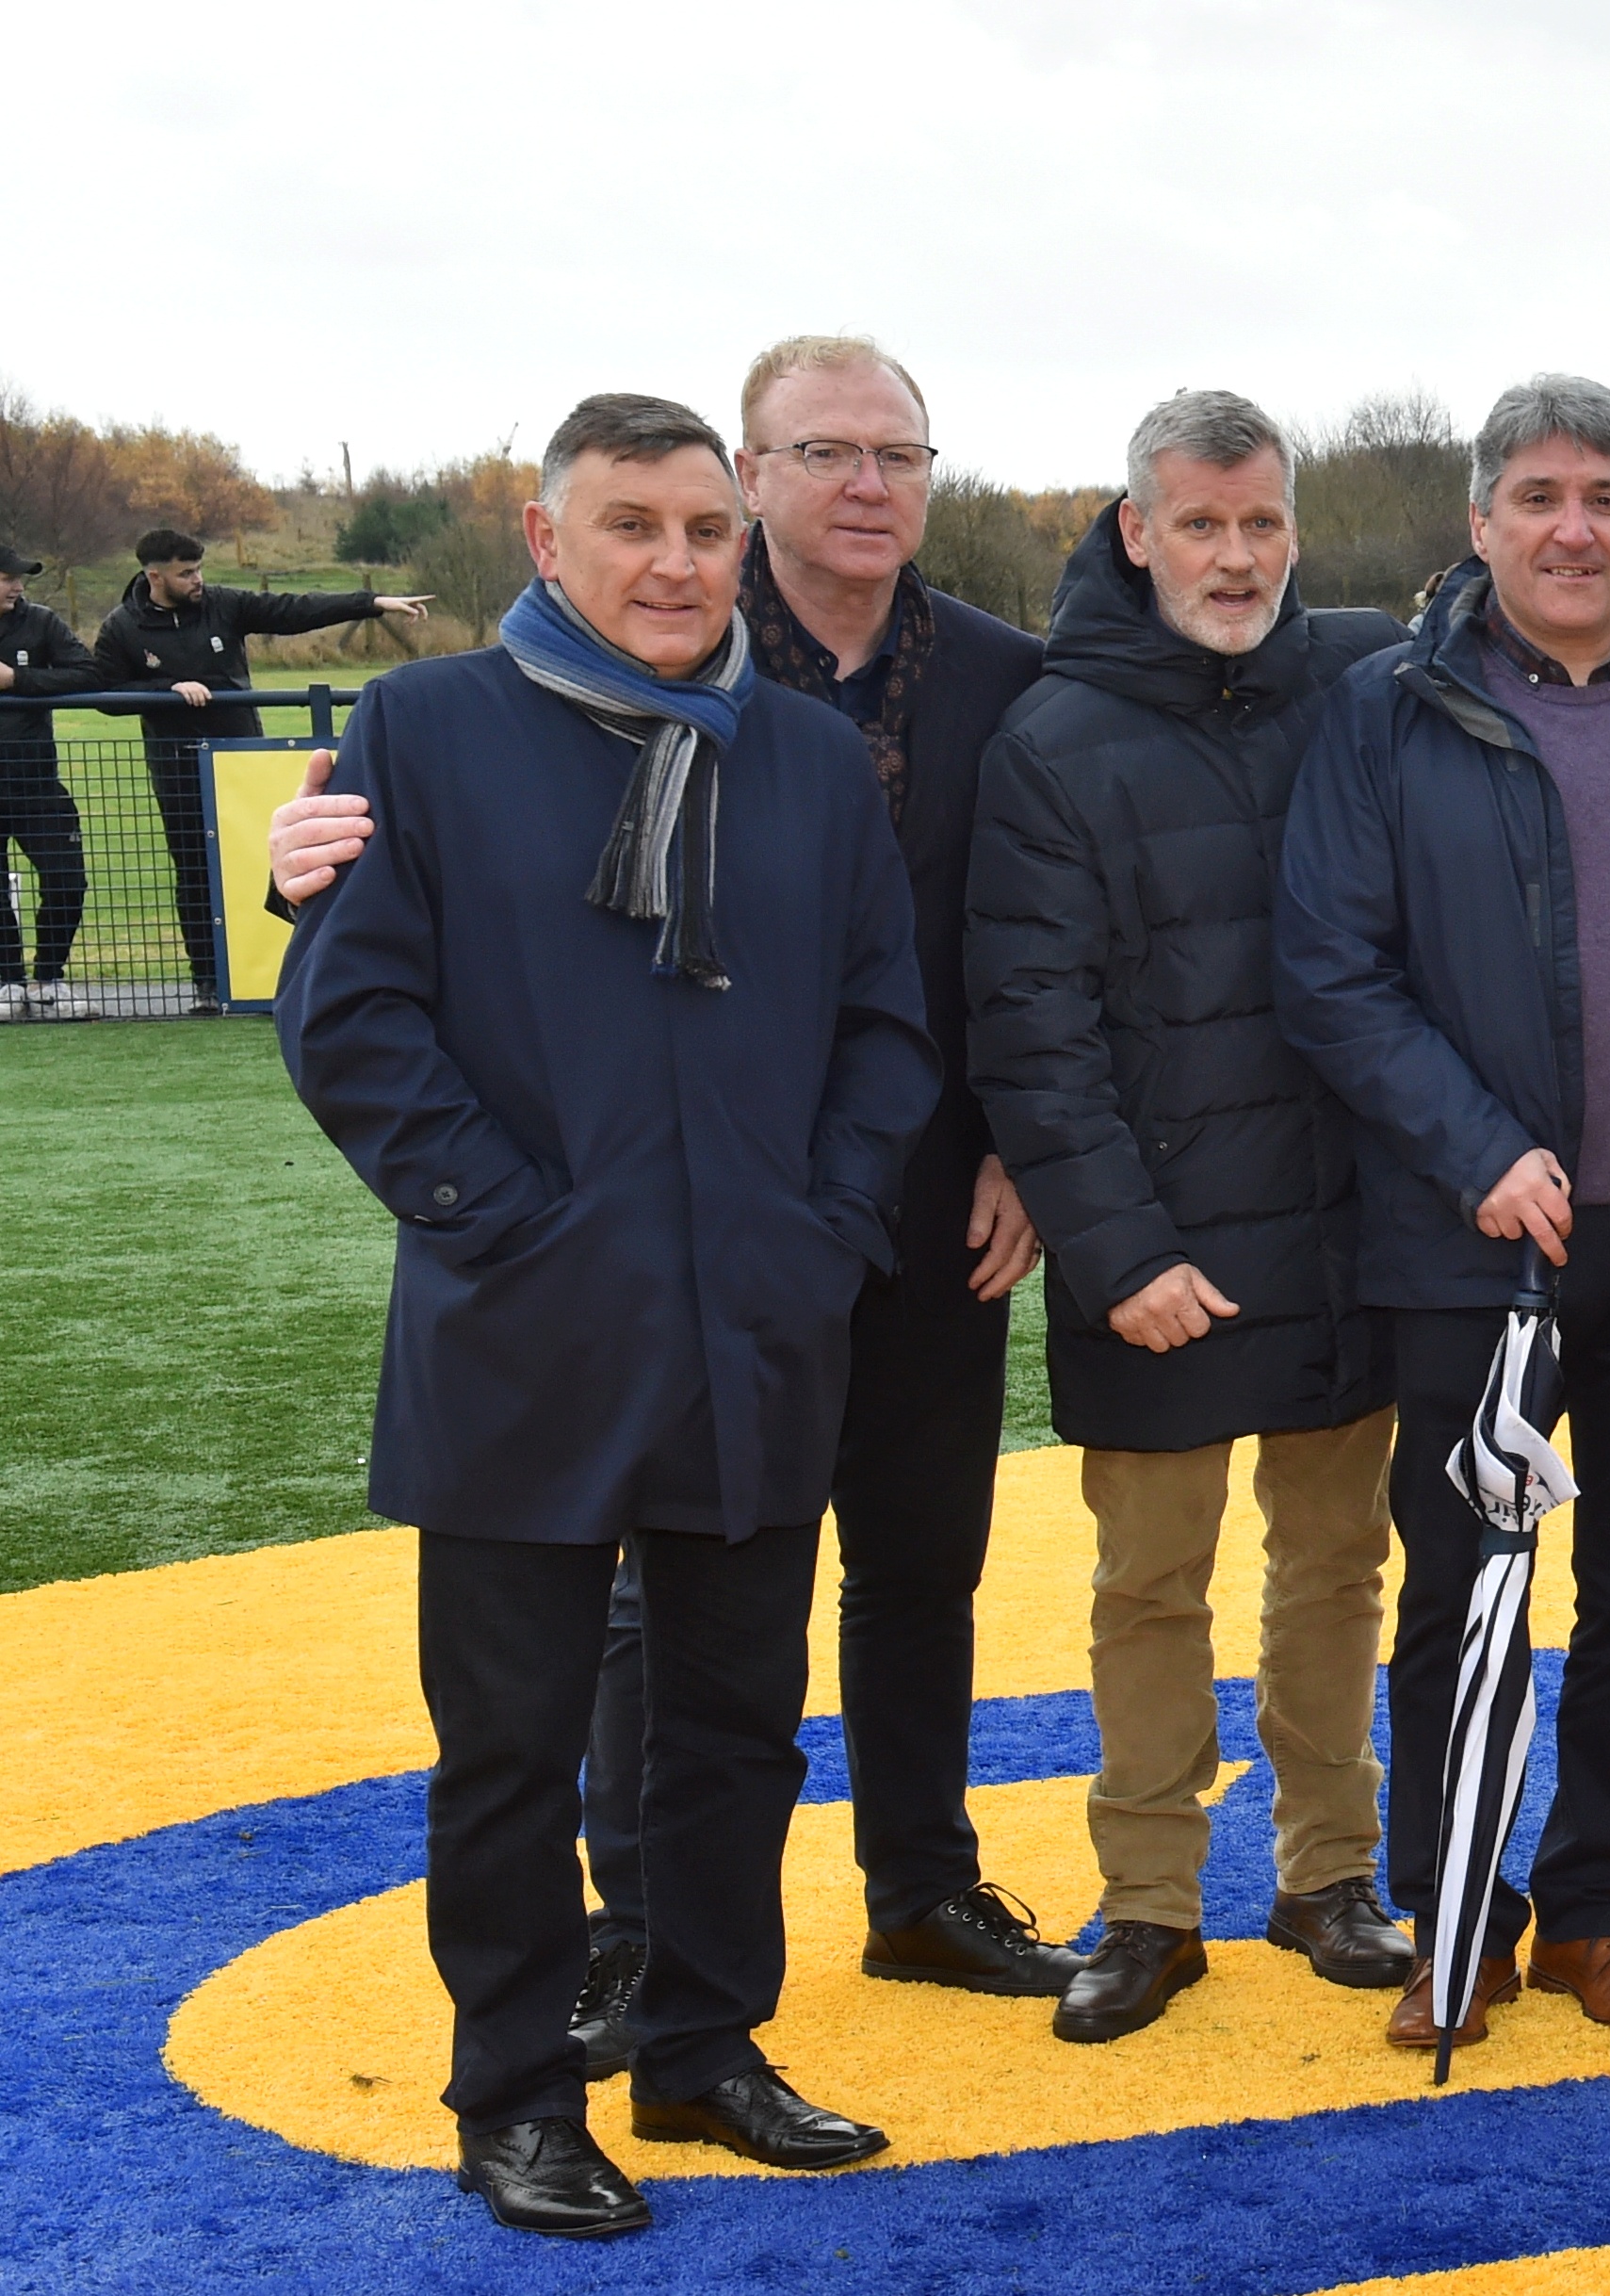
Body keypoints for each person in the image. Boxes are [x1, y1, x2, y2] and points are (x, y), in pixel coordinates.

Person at [269, 339, 1080, 2070]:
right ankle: (513, 2091)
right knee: (511, 1744)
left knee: (730, 1728)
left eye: (702, 530)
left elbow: (884, 1022)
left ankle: (707, 2050)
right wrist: (506, 1222)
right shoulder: (419, 728)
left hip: (757, 1328)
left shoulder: (796, 754)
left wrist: (827, 1223)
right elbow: (350, 1018)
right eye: (630, 525)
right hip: (519, 1333)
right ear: (545, 542)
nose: (675, 561)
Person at [1279, 375, 1610, 2053]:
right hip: (1478, 1240)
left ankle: (1594, 1911)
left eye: (1601, 495)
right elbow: (1329, 969)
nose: (1569, 527)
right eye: (1535, 496)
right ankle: (1456, 1920)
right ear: (1480, 519)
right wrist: (1478, 1146)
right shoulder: (1384, 710)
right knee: (1464, 1596)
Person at [966, 392, 1408, 2044]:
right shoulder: (1052, 735)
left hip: (1345, 1228)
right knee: (1151, 1584)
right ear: (1135, 529)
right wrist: (1119, 1249)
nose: (1235, 558)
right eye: (1202, 525)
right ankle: (1149, 1903)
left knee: (1335, 1567)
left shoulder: (1361, 686)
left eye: (1262, 525)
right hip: (1155, 1251)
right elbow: (1033, 1024)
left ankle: (1328, 1872)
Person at [88, 529, 425, 1009]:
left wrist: (372, 602)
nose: (198, 579)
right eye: (186, 573)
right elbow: (106, 691)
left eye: (199, 569)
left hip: (241, 759)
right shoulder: (122, 626)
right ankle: (208, 980)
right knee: (194, 871)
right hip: (176, 765)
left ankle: (279, 974)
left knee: (267, 862)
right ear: (154, 574)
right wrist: (167, 687)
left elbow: (294, 609)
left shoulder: (224, 604)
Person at [0, 546, 98, 1020]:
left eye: (20, 579)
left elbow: (86, 671)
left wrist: (16, 680)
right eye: (8, 578)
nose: (18, 586)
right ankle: (6, 981)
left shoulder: (40, 622)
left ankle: (47, 979)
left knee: (67, 878)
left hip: (36, 781)